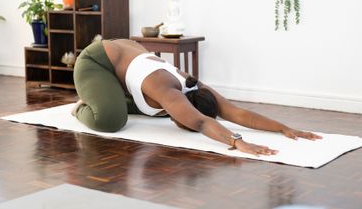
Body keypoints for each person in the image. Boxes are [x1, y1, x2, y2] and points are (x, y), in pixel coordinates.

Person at [72, 38, 322, 157]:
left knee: (151, 108)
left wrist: (284, 128)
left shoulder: (194, 86)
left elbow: (236, 112)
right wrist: (238, 142)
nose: (182, 125)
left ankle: (107, 96)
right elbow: (201, 122)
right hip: (97, 60)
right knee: (111, 120)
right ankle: (81, 106)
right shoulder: (168, 91)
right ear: (184, 108)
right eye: (184, 121)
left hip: (128, 56)